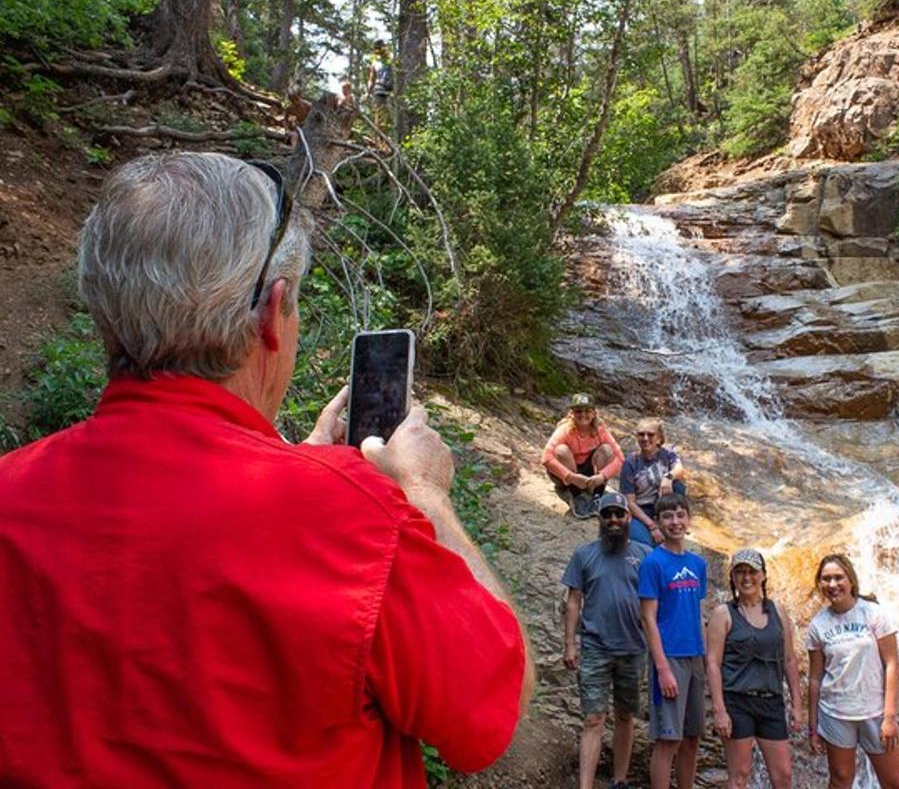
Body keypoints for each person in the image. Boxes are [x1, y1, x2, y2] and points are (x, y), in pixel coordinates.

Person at [0, 152, 533, 787]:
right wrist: (425, 494)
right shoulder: (354, 520)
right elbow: (494, 712)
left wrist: (305, 461)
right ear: (271, 313)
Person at [561, 493, 653, 789]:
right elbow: (573, 601)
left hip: (633, 648)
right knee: (593, 719)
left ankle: (620, 781)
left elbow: (657, 602)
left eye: (619, 514)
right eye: (607, 514)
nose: (613, 519)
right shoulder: (584, 554)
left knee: (626, 716)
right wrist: (569, 644)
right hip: (595, 648)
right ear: (599, 519)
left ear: (629, 518)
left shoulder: (644, 555)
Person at [806, 554, 899, 789]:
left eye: (838, 578)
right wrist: (813, 727)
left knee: (895, 783)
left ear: (851, 580)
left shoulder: (874, 614)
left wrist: (890, 717)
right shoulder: (818, 625)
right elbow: (815, 679)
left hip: (874, 712)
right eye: (826, 579)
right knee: (840, 780)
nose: (832, 585)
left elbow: (892, 664)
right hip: (835, 713)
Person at [705, 549, 803, 789]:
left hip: (771, 702)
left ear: (763, 576)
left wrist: (798, 707)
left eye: (752, 572)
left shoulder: (778, 612)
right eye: (740, 572)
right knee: (740, 776)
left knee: (783, 776)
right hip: (738, 702)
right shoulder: (723, 614)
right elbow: (712, 663)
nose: (746, 578)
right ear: (733, 577)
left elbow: (789, 660)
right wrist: (720, 711)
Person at [638, 493, 707, 789]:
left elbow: (697, 611)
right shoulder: (653, 563)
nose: (675, 522)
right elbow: (648, 618)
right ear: (658, 522)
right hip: (670, 658)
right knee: (669, 738)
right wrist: (662, 667)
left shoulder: (698, 563)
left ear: (689, 519)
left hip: (696, 658)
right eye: (668, 516)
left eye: (680, 515)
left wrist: (706, 659)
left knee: (692, 737)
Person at [541, 393, 624, 519]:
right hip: (567, 475)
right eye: (578, 411)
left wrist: (603, 476)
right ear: (571, 413)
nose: (583, 414)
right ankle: (576, 495)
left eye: (587, 411)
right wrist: (571, 477)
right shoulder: (564, 430)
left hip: (589, 473)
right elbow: (546, 458)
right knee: (561, 450)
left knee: (607, 450)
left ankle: (597, 495)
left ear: (594, 413)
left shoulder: (600, 430)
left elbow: (620, 458)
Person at [619, 418, 685, 546]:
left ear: (659, 438)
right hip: (640, 510)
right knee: (645, 545)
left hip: (662, 507)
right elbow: (630, 502)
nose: (645, 438)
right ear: (636, 437)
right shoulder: (630, 462)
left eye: (650, 434)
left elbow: (680, 469)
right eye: (641, 434)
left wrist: (668, 478)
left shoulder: (667, 454)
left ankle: (671, 523)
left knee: (678, 486)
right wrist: (652, 526)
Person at [366, 39, 393, 131]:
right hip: (379, 90)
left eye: (380, 48)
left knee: (391, 117)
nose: (379, 51)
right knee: (380, 117)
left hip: (391, 90)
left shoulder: (391, 60)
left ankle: (388, 139)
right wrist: (368, 92)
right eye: (377, 49)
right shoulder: (374, 63)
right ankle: (380, 139)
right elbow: (371, 79)